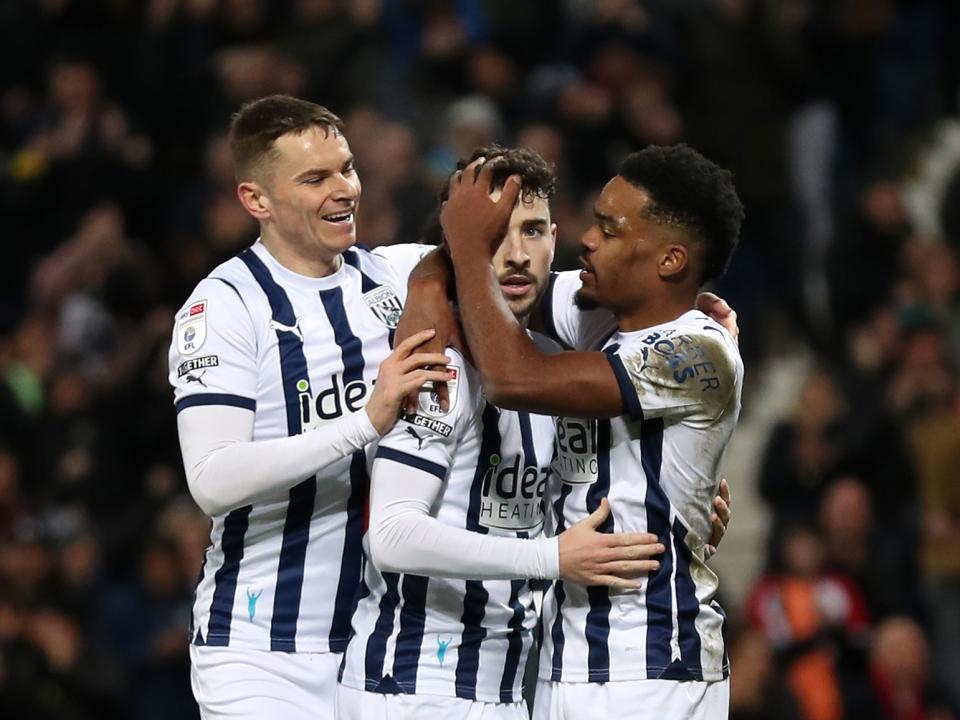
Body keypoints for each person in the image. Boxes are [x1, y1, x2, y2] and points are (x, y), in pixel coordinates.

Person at [168, 96, 674, 719]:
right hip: (263, 643)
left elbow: (535, 284)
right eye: (315, 178)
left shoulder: (397, 274)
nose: (344, 190)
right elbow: (212, 480)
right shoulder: (223, 306)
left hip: (367, 636)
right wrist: (364, 421)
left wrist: (687, 314)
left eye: (346, 168)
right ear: (256, 200)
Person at [337, 145, 737, 718]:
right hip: (440, 681)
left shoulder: (674, 347)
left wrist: (688, 501)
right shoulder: (447, 359)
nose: (587, 242)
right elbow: (393, 533)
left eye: (536, 231)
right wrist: (436, 273)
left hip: (645, 666)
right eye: (495, 234)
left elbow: (513, 375)